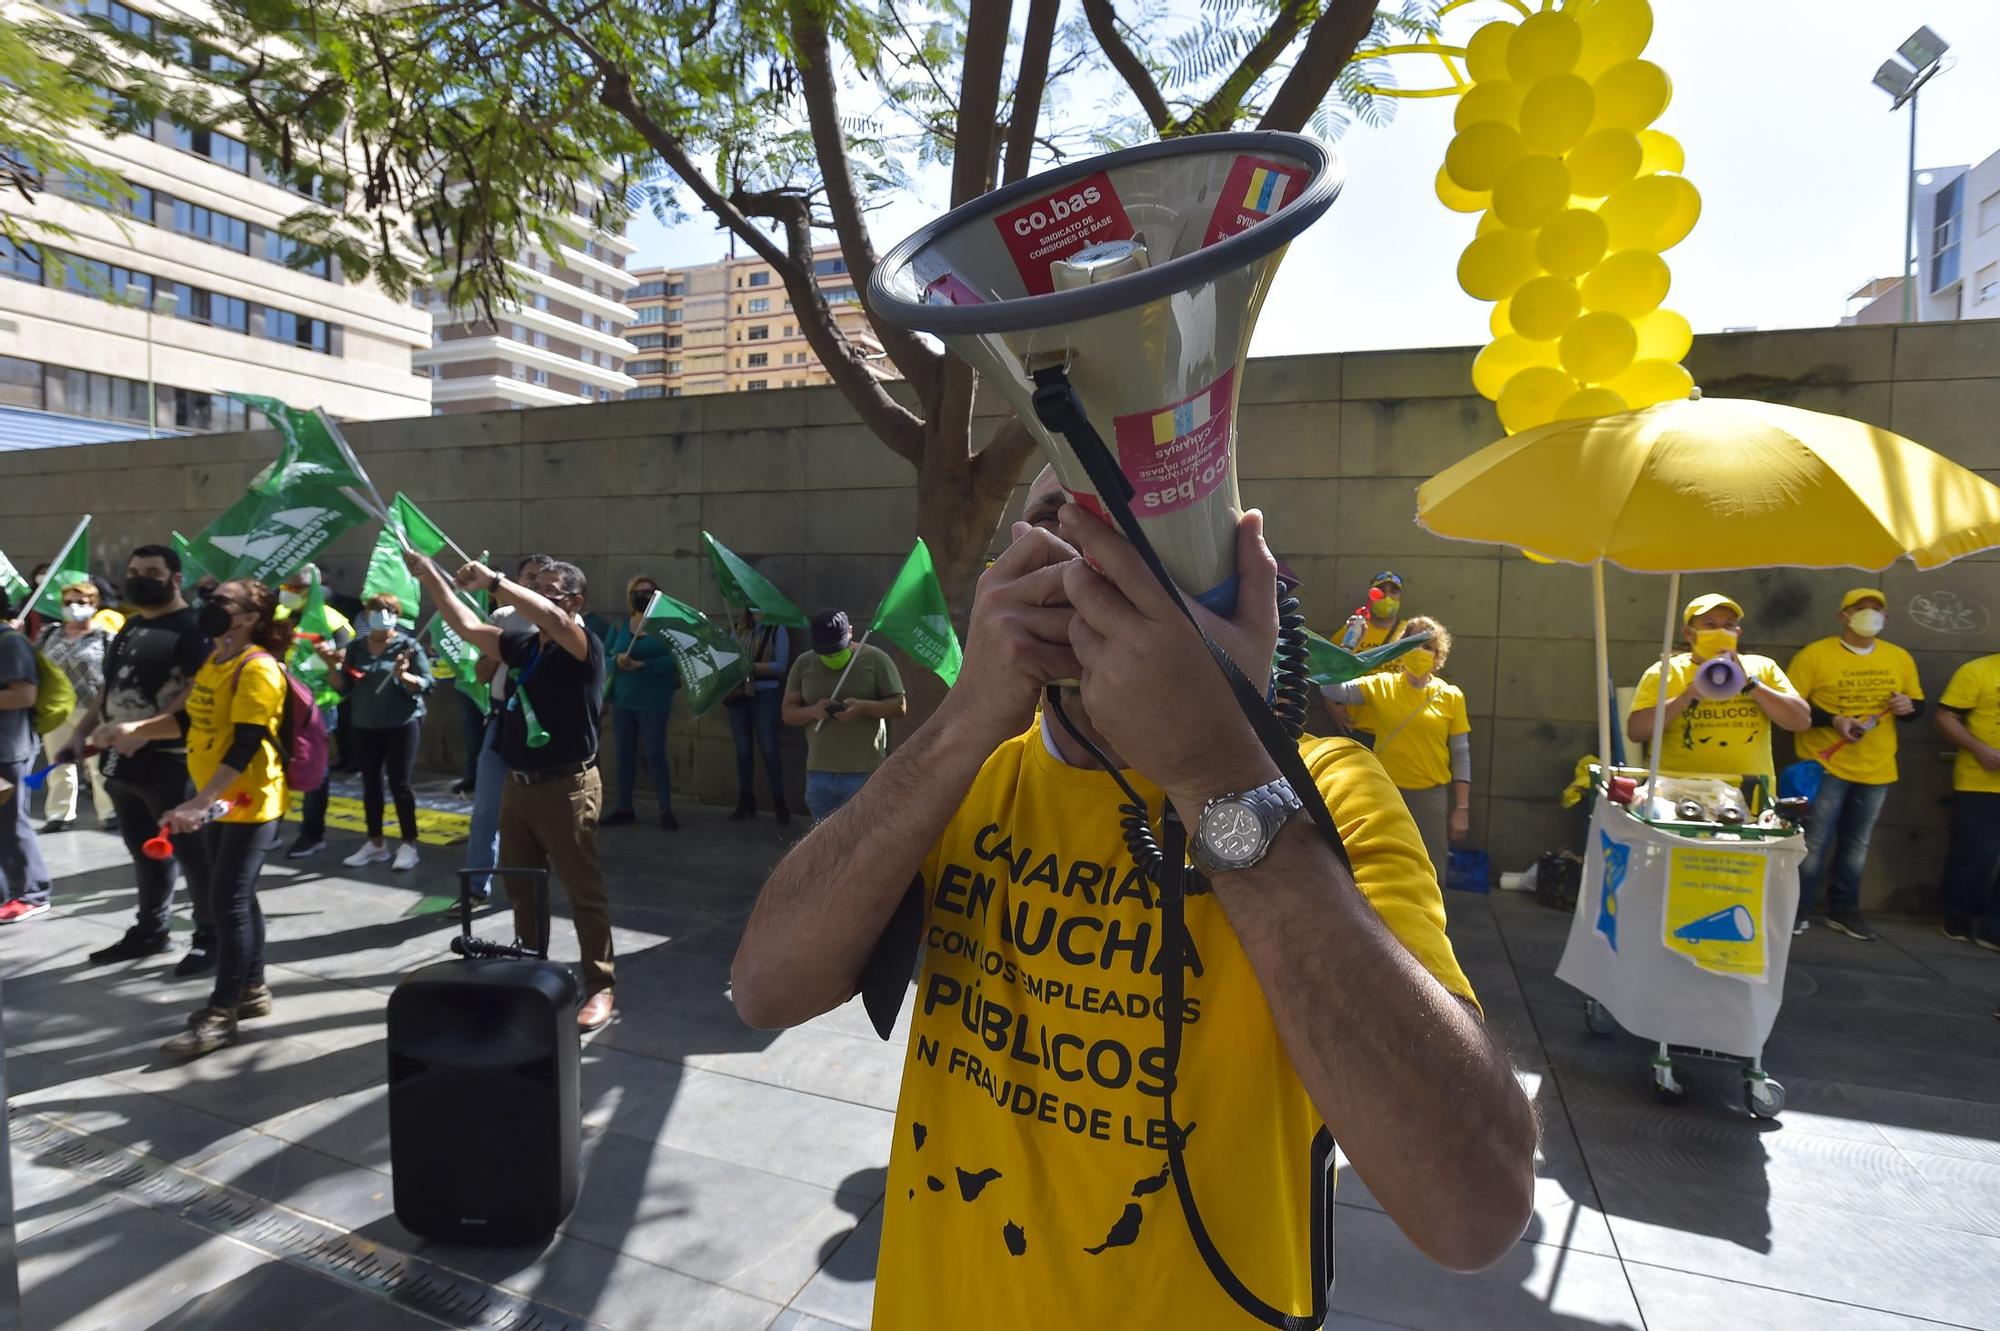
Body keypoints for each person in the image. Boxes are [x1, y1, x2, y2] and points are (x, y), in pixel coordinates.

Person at [734, 469, 1536, 1328]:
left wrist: (1217, 773)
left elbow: (1473, 1208)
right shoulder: (970, 777)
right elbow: (764, 988)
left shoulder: (1330, 795)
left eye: (1134, 527)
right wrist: (966, 718)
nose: (1088, 559)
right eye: (1054, 520)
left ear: (1235, 578)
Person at [409, 548, 616, 1033]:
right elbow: (465, 626)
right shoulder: (528, 646)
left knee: (583, 892)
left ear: (575, 601)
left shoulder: (581, 644)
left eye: (549, 589)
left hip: (567, 787)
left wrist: (496, 581)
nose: (536, 597)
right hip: (517, 786)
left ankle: (600, 985)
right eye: (535, 586)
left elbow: (545, 614)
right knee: (523, 888)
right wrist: (433, 577)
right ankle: (532, 972)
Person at [103, 578, 292, 1056]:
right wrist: (137, 729)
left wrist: (199, 802)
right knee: (234, 896)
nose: (211, 605)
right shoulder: (215, 657)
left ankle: (222, 1013)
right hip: (216, 793)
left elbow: (247, 745)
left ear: (250, 617)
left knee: (225, 900)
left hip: (246, 799)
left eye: (223, 601)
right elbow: (189, 720)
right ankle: (252, 990)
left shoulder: (258, 669)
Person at [77, 544, 216, 969]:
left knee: (196, 858)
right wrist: (80, 735)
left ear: (176, 579)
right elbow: (109, 688)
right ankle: (150, 931)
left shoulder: (193, 629)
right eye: (134, 571)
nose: (140, 578)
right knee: (146, 852)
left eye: (152, 572)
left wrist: (139, 730)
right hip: (123, 764)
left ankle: (210, 938)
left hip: (175, 765)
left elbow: (197, 700)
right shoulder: (131, 627)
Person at [1785, 589, 1924, 941]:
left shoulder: (1900, 658)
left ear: (1886, 619)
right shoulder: (1815, 655)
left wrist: (1910, 707)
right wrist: (1834, 720)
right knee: (1813, 842)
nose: (1870, 615)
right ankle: (1795, 909)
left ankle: (1843, 911)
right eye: (1861, 609)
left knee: (1856, 844)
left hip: (1877, 767)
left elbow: (1916, 705)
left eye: (1877, 610)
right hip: (1825, 766)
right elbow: (1790, 708)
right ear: (1843, 616)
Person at [1320, 616, 1471, 882]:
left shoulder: (1451, 696)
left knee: (1432, 872)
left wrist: (1462, 808)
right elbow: (1332, 690)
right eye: (1411, 642)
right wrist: (1348, 645)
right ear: (1399, 648)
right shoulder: (1382, 684)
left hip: (1429, 797)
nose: (1419, 651)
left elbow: (1461, 755)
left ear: (1438, 655)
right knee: (1380, 869)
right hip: (1386, 794)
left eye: (1427, 646)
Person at [1627, 593, 1810, 783]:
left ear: (1738, 633)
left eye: (1729, 625)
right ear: (1689, 634)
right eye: (1710, 625)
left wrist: (1750, 683)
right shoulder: (1664, 672)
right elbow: (1637, 731)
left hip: (1748, 792)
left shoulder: (1763, 668)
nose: (1721, 632)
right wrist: (1684, 699)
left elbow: (1801, 721)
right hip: (1680, 793)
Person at [461, 553, 556, 905]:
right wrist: (504, 649)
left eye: (544, 581)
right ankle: (476, 884)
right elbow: (481, 675)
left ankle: (535, 885)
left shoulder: (558, 622)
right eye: (530, 578)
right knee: (487, 807)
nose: (535, 586)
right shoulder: (502, 617)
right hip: (503, 719)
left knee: (541, 812)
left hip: (544, 726)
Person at [333, 594, 433, 871]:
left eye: (388, 610)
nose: (381, 615)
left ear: (397, 615)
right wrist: (332, 666)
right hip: (365, 723)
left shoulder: (408, 647)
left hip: (402, 723)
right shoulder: (356, 648)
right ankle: (375, 843)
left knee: (400, 784)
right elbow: (344, 686)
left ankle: (409, 844)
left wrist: (404, 676)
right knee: (371, 784)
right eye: (376, 610)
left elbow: (426, 684)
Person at [783, 609, 906, 822]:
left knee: (862, 838)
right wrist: (813, 711)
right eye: (825, 653)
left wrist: (863, 707)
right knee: (822, 841)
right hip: (818, 773)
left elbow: (899, 706)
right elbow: (788, 713)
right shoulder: (804, 663)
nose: (831, 657)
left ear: (850, 632)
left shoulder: (875, 659)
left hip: (863, 772)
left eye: (836, 650)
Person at [277, 564, 353, 859]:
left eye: (294, 588)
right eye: (285, 587)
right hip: (281, 703)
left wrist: (333, 662)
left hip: (318, 706)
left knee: (315, 771)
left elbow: (345, 672)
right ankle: (271, 825)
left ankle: (312, 834)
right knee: (278, 765)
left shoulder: (335, 623)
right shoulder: (281, 616)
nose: (287, 593)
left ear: (312, 590)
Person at [35, 581, 117, 834]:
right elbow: (35, 662)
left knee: (97, 764)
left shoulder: (104, 636)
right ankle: (60, 814)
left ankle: (109, 812)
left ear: (94, 605)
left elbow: (115, 672)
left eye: (81, 602)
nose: (74, 607)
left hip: (93, 710)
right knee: (58, 763)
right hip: (57, 708)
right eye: (69, 602)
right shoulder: (50, 633)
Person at [601, 575, 680, 831]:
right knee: (624, 754)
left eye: (648, 592)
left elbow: (675, 660)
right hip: (624, 699)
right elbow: (604, 657)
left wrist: (643, 664)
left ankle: (665, 809)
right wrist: (618, 660)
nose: (642, 595)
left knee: (654, 753)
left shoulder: (666, 628)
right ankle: (624, 807)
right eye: (637, 591)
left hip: (655, 701)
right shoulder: (620, 625)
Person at [1937, 650, 2000, 952]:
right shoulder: (1978, 670)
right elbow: (1946, 716)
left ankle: (1993, 929)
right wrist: (1979, 749)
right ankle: (1958, 916)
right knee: (1976, 854)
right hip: (1980, 781)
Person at [0, 599, 56, 925]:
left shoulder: (10, 642)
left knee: (11, 823)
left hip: (8, 751)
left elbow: (24, 695)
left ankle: (32, 893)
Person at [726, 607, 791, 823]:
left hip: (766, 693)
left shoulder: (776, 628)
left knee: (768, 747)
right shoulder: (738, 627)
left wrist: (750, 666)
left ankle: (779, 802)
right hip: (739, 693)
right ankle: (745, 800)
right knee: (742, 750)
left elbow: (781, 665)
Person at [1337, 568, 1409, 651]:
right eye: (1381, 590)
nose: (1387, 596)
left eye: (1393, 591)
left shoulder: (1411, 631)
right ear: (1370, 595)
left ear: (1401, 597)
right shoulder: (1353, 631)